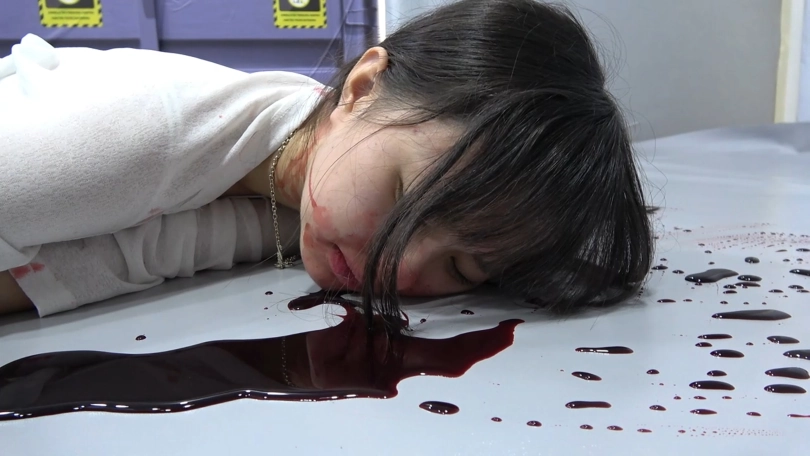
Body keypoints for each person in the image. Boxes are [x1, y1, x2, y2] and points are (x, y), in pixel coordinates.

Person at [0, 0, 653, 329]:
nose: (396, 268)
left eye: (461, 268)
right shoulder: (134, 133)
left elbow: (146, 254)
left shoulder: (308, 176)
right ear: (363, 89)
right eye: (405, 198)